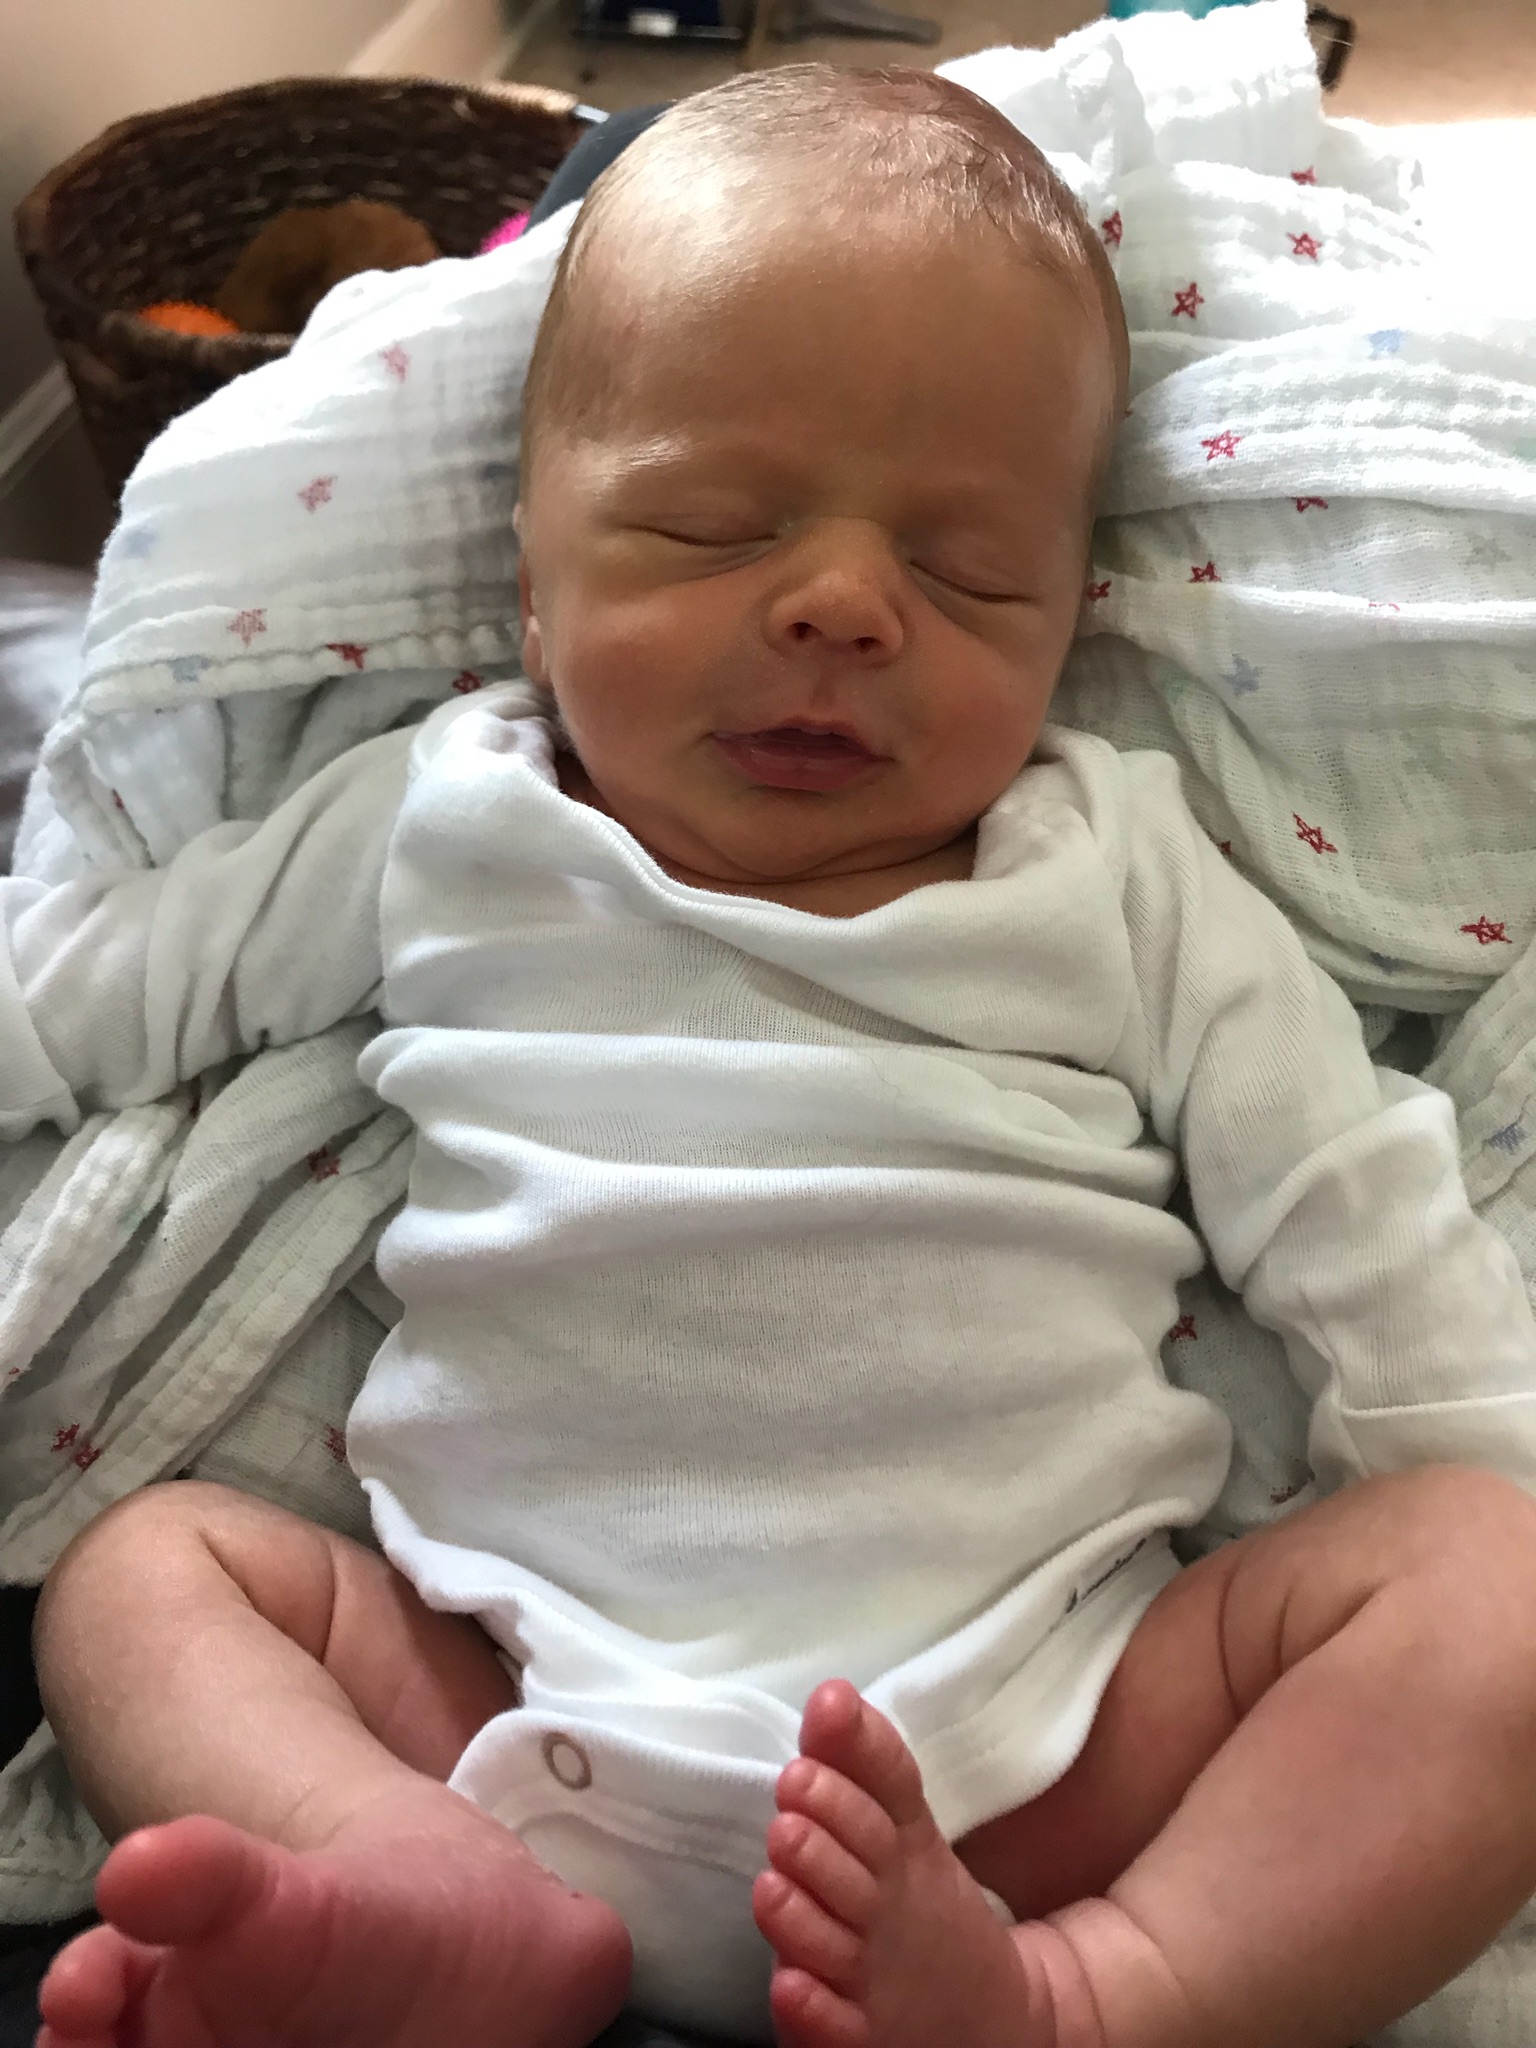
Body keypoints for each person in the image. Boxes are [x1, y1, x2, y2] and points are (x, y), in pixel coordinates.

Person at [8, 61, 1536, 2048]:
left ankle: (1090, 1995)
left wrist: (1457, 1484)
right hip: (499, 1699)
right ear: (533, 592)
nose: (837, 606)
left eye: (964, 573)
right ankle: (420, 1885)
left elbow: (1347, 1191)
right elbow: (122, 977)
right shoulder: (447, 812)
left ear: (1071, 622)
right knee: (139, 1577)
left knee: (1494, 1586)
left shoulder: (1110, 864)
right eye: (711, 527)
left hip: (1041, 1742)